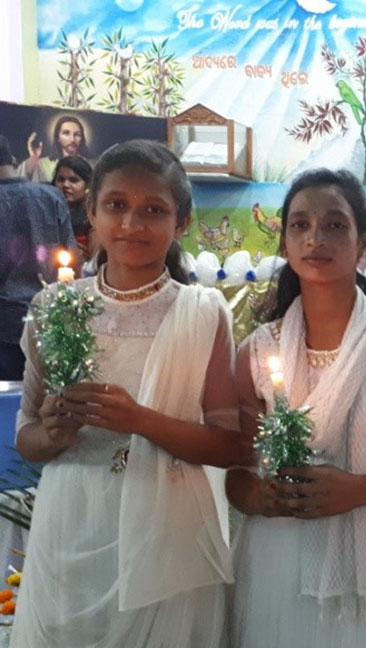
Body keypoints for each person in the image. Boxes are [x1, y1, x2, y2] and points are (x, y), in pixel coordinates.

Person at [11, 140, 248, 647]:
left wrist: (142, 420)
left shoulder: (202, 313)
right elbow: (26, 439)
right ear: (91, 210)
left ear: (180, 222)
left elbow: (232, 445)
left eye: (153, 210)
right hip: (72, 526)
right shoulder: (54, 307)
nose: (132, 224)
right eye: (116, 205)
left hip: (169, 537)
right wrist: (52, 432)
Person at [226, 168, 366, 648]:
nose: (316, 238)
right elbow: (238, 475)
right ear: (285, 242)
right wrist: (260, 496)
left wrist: (357, 489)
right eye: (300, 225)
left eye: (334, 225)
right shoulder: (255, 351)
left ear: (364, 244)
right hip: (281, 556)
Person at [0, 134, 74, 380]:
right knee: (45, 407)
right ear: (12, 159)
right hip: (49, 321)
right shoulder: (51, 196)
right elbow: (71, 258)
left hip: (3, 327)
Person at [19, 115, 90, 183]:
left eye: (77, 134)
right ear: (58, 137)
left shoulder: (89, 165)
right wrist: (33, 157)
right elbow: (23, 179)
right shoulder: (43, 164)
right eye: (66, 133)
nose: (72, 139)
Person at [51, 155, 94, 258]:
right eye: (61, 179)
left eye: (73, 180)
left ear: (87, 185)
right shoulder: (46, 212)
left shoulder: (94, 215)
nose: (65, 185)